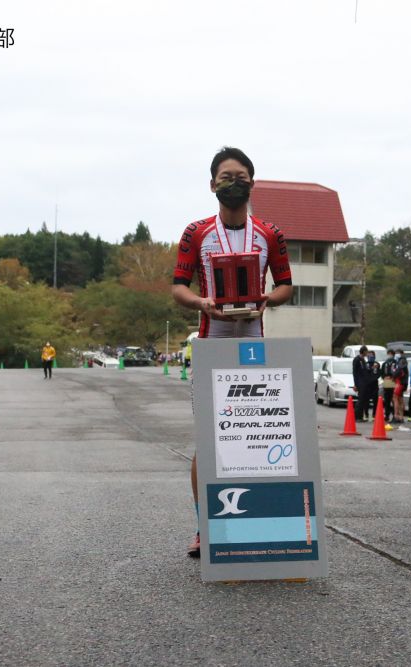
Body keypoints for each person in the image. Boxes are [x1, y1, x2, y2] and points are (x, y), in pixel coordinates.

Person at [171, 147, 292, 558]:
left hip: (253, 344)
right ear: (211, 185)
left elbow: (285, 284)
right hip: (212, 344)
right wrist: (203, 302)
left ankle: (253, 524)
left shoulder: (270, 232)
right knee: (208, 441)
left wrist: (267, 301)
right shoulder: (196, 232)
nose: (233, 183)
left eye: (240, 175)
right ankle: (205, 527)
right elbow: (177, 287)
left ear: (252, 182)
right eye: (225, 177)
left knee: (256, 439)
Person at [352, 346, 377, 422]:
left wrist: (371, 368)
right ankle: (357, 417)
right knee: (361, 399)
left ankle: (361, 416)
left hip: (365, 382)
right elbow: (355, 372)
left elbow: (365, 370)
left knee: (363, 400)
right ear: (363, 351)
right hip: (360, 382)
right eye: (366, 352)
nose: (367, 353)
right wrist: (356, 384)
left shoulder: (363, 360)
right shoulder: (357, 359)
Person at [391, 350, 408, 423]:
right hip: (403, 383)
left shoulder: (401, 363)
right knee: (400, 399)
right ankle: (401, 417)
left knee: (395, 399)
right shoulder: (404, 362)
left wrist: (392, 370)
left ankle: (396, 416)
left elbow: (395, 374)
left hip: (400, 384)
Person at [380, 349, 397, 423]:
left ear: (393, 355)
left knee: (394, 399)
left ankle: (394, 415)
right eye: (388, 354)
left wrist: (392, 377)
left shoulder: (396, 363)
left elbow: (397, 371)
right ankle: (386, 415)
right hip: (387, 381)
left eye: (391, 354)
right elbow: (382, 372)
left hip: (394, 381)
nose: (390, 355)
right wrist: (384, 377)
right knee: (387, 399)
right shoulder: (385, 363)